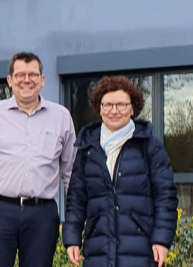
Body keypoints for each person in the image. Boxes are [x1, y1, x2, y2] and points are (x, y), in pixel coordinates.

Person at [0, 52, 77, 267]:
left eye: (33, 75)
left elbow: (72, 175)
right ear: (10, 81)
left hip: (42, 215)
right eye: (20, 75)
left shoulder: (61, 117)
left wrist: (76, 222)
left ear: (42, 80)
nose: (26, 80)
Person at [63, 76, 178, 267]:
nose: (114, 110)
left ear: (133, 108)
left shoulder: (149, 146)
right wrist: (72, 238)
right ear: (99, 108)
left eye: (121, 105)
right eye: (108, 104)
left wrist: (162, 239)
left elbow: (165, 196)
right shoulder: (87, 148)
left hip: (141, 248)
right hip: (98, 248)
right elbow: (76, 198)